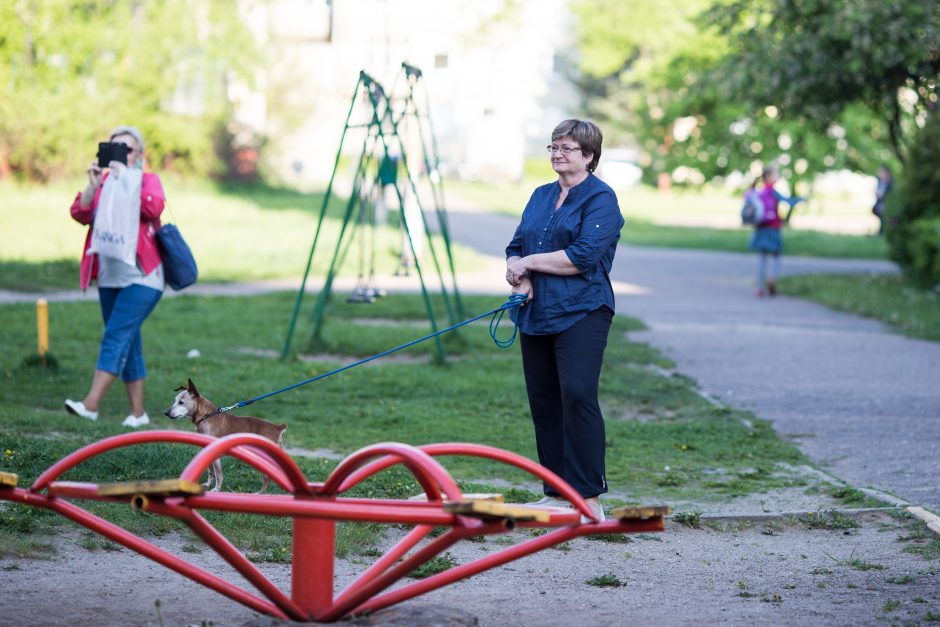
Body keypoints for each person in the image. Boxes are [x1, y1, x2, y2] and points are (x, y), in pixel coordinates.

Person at [505, 119, 624, 522]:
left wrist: (528, 264)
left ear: (588, 155)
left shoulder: (601, 199)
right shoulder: (540, 195)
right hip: (536, 312)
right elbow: (516, 244)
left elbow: (582, 257)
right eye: (553, 147)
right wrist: (517, 273)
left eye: (567, 148)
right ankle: (556, 492)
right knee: (544, 401)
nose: (557, 154)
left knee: (577, 394)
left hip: (583, 310)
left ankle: (589, 496)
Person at [64, 125, 166, 428]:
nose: (122, 155)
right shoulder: (104, 181)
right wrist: (94, 184)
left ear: (139, 155)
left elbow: (154, 208)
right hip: (109, 277)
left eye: (128, 149)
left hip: (143, 277)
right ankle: (138, 414)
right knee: (128, 340)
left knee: (115, 336)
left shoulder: (147, 180)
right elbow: (79, 213)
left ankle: (91, 405)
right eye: (115, 149)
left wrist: (130, 180)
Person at [750, 166, 803, 297]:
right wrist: (801, 199)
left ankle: (760, 288)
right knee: (775, 256)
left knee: (762, 259)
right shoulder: (774, 192)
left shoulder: (759, 192)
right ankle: (772, 278)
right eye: (776, 175)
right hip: (773, 229)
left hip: (761, 228)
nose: (778, 177)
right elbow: (788, 202)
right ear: (769, 177)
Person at [872, 164, 893, 235]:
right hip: (880, 203)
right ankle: (882, 232)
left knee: (886, 218)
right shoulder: (880, 181)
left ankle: (884, 232)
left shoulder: (890, 182)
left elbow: (888, 193)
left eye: (882, 172)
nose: (880, 174)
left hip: (887, 203)